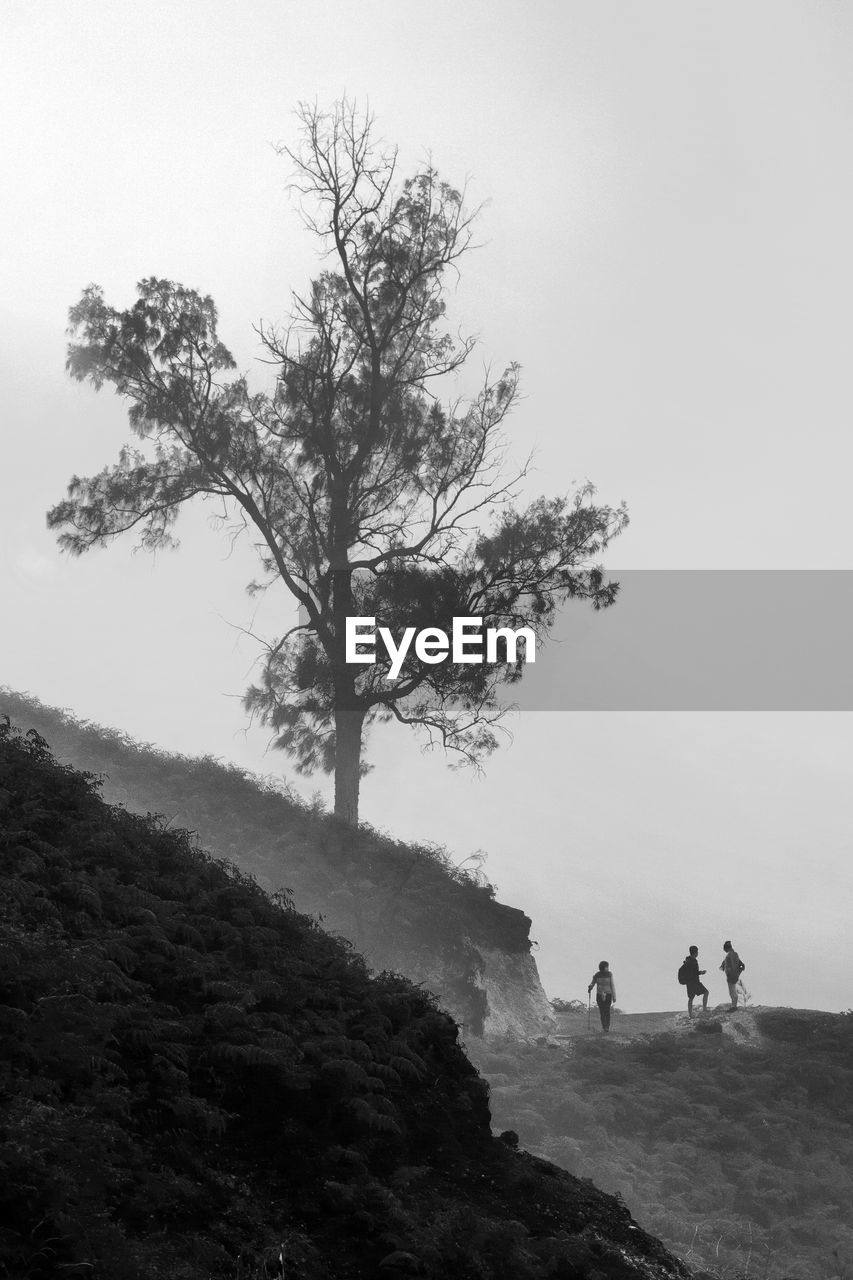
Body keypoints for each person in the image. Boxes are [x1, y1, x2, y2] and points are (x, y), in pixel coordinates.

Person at [588, 960, 616, 1032]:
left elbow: (612, 985)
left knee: (607, 1010)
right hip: (599, 995)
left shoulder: (609, 974)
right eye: (607, 967)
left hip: (608, 994)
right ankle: (604, 1027)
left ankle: (607, 1026)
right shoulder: (597, 975)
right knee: (602, 1011)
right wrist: (590, 987)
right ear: (604, 967)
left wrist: (614, 996)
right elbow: (592, 983)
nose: (608, 968)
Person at [681, 945, 708, 1017]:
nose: (698, 953)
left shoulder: (687, 961)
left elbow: (691, 972)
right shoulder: (693, 961)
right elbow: (694, 973)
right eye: (697, 952)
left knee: (691, 998)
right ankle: (704, 1009)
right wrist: (701, 973)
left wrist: (700, 972)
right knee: (706, 992)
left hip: (689, 983)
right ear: (695, 953)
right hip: (695, 982)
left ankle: (690, 1014)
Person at [720, 940, 745, 1010]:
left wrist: (728, 973)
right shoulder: (736, 954)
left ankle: (733, 1006)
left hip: (731, 975)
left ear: (726, 949)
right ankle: (735, 1005)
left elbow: (728, 966)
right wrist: (739, 971)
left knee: (731, 991)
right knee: (734, 990)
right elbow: (741, 964)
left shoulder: (728, 956)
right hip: (736, 974)